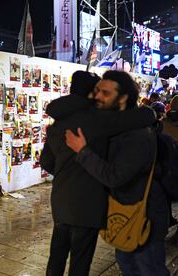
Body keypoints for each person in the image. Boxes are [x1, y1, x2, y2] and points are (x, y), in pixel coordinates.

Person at [41, 70, 162, 275]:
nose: (98, 97)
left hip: (61, 200)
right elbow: (141, 116)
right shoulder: (98, 121)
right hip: (88, 203)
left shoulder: (57, 124)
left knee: (56, 258)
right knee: (80, 262)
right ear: (89, 94)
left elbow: (46, 161)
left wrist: (65, 171)